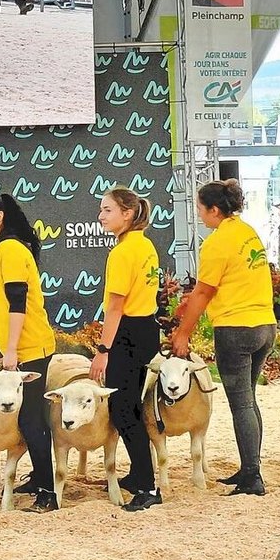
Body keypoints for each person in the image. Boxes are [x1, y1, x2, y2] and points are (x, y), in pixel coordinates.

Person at [170, 179, 276, 496]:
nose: (200, 215)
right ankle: (249, 466)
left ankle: (253, 477)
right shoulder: (247, 232)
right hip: (265, 325)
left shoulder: (216, 243)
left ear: (215, 210)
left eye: (201, 209)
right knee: (249, 400)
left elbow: (204, 291)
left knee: (241, 404)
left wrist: (183, 332)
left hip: (235, 328)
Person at [0, 193, 58, 512]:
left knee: (32, 420)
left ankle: (48, 493)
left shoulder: (13, 250)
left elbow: (18, 304)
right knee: (26, 418)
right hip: (18, 347)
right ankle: (39, 478)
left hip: (31, 346)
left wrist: (13, 351)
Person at [89, 186, 164, 511]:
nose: (101, 216)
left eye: (107, 210)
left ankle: (147, 488)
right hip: (146, 330)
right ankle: (138, 474)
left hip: (128, 334)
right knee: (130, 408)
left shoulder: (121, 252)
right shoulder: (145, 245)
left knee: (123, 410)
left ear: (128, 213)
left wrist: (103, 349)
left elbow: (115, 307)